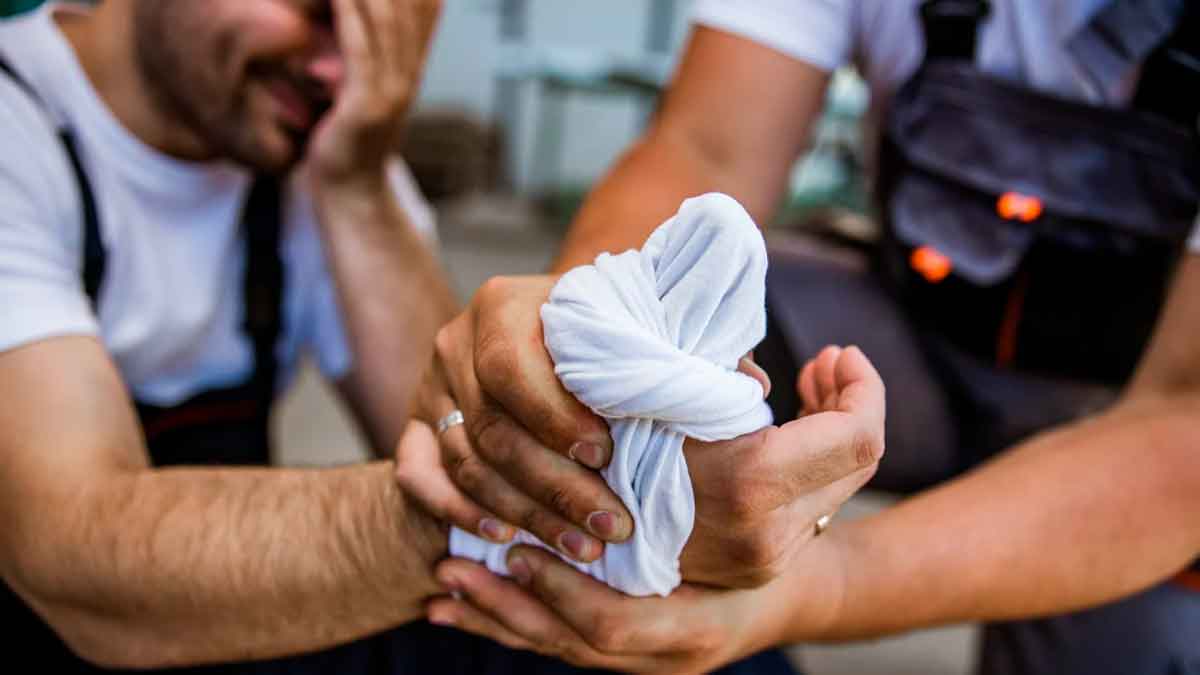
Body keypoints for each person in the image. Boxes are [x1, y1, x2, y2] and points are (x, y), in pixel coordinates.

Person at [0, 1, 883, 673]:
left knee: (673, 646)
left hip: (213, 622)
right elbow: (73, 556)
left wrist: (354, 180)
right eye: (321, 12)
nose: (335, 72)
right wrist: (497, 519)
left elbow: (447, 419)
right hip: (84, 624)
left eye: (384, 42)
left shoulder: (305, 143)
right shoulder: (19, 129)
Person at [410, 1, 1200, 673]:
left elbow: (1184, 412)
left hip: (1143, 414)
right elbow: (704, 148)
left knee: (1118, 643)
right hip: (912, 348)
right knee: (644, 464)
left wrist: (812, 584)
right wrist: (583, 337)